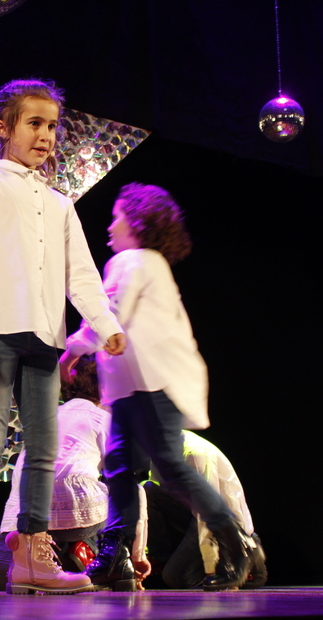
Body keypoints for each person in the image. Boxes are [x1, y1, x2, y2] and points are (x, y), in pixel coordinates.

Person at [0, 79, 126, 596]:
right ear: (4, 128)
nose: (45, 135)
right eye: (34, 124)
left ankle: (32, 555)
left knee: (43, 447)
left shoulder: (59, 203)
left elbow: (81, 275)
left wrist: (106, 326)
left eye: (52, 126)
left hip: (43, 336)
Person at [61, 183, 253, 592]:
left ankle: (237, 543)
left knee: (169, 466)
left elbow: (110, 313)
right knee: (120, 469)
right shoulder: (147, 263)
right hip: (130, 389)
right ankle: (116, 555)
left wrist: (71, 351)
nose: (110, 226)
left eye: (117, 217)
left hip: (150, 385)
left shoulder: (134, 260)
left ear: (138, 223)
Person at [0, 354, 151, 592]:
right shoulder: (105, 419)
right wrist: (138, 556)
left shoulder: (45, 417)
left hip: (21, 517)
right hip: (76, 515)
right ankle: (96, 555)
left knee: (4, 573)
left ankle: (49, 556)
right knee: (132, 489)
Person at [146, 430, 267, 589]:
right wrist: (143, 555)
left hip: (223, 531)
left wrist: (213, 569)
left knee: (174, 578)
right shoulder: (158, 452)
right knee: (147, 489)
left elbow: (210, 513)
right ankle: (162, 562)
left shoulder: (195, 454)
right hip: (194, 520)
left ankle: (246, 550)